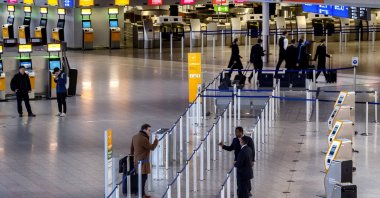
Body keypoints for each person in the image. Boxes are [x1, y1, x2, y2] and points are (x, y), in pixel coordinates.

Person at [219, 127, 255, 196]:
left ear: (242, 132)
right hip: (238, 162)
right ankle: (240, 190)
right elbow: (231, 148)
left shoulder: (248, 139)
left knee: (246, 177)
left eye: (238, 132)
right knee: (239, 177)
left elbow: (252, 150)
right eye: (235, 132)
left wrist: (252, 160)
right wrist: (223, 146)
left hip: (246, 162)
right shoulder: (235, 140)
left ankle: (247, 191)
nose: (236, 133)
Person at [130, 124, 158, 198]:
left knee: (138, 177)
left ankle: (138, 192)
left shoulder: (135, 136)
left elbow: (132, 149)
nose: (150, 132)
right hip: (143, 162)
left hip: (136, 161)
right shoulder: (144, 139)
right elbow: (152, 147)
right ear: (144, 130)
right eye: (149, 130)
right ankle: (142, 194)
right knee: (143, 178)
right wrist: (156, 140)